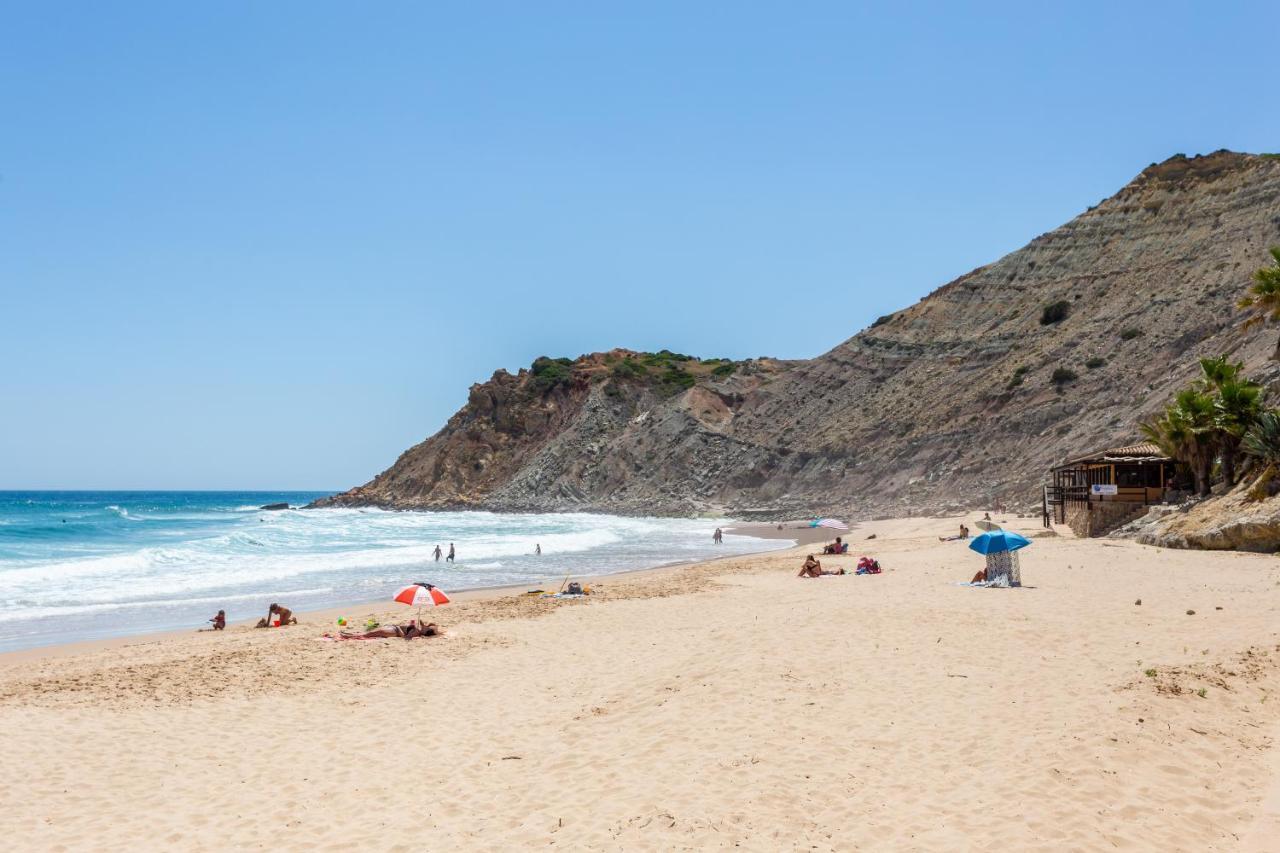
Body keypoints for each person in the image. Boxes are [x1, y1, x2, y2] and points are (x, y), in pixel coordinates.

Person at [330, 619, 444, 640]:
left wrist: (400, 628)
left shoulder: (416, 632)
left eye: (428, 626)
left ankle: (348, 636)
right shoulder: (418, 628)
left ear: (426, 630)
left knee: (368, 634)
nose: (427, 624)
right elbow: (438, 631)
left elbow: (405, 637)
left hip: (393, 632)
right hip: (392, 628)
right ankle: (349, 634)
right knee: (368, 633)